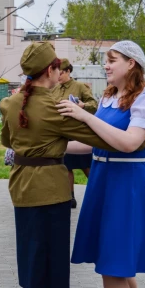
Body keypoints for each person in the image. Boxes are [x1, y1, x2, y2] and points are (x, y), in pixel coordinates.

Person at [0, 42, 145, 288]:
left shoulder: (11, 102)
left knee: (40, 262)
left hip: (20, 188)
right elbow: (101, 139)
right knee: (44, 270)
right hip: (50, 194)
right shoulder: (57, 109)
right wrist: (143, 138)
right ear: (51, 70)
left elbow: (7, 141)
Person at [58, 40, 145, 288]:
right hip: (102, 182)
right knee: (115, 258)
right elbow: (95, 144)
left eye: (112, 59)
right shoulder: (108, 97)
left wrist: (84, 116)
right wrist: (49, 147)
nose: (106, 65)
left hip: (126, 185)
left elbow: (130, 143)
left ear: (132, 63)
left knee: (113, 267)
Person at [51, 58, 98, 209]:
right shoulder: (55, 89)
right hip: (62, 133)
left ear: (68, 71)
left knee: (86, 165)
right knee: (66, 166)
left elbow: (94, 104)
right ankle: (70, 197)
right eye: (57, 72)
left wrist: (83, 105)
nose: (59, 75)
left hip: (79, 132)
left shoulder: (79, 86)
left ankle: (98, 190)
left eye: (62, 72)